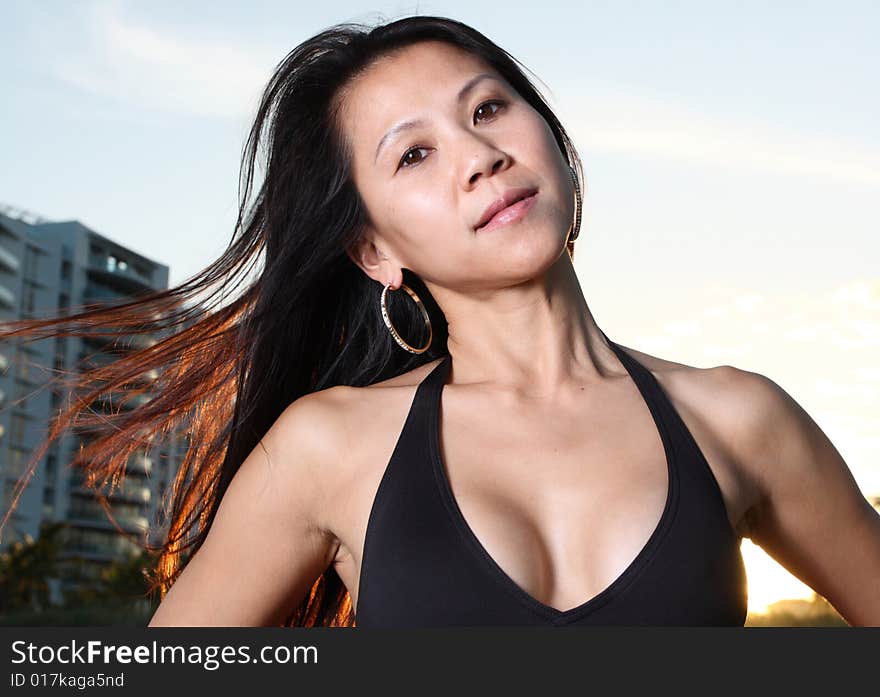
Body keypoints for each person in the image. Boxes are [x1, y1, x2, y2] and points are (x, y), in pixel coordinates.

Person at [4, 15, 878, 627]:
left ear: (553, 143)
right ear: (375, 251)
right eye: (415, 153)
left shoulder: (739, 419)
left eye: (489, 108)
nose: (479, 156)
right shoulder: (329, 448)